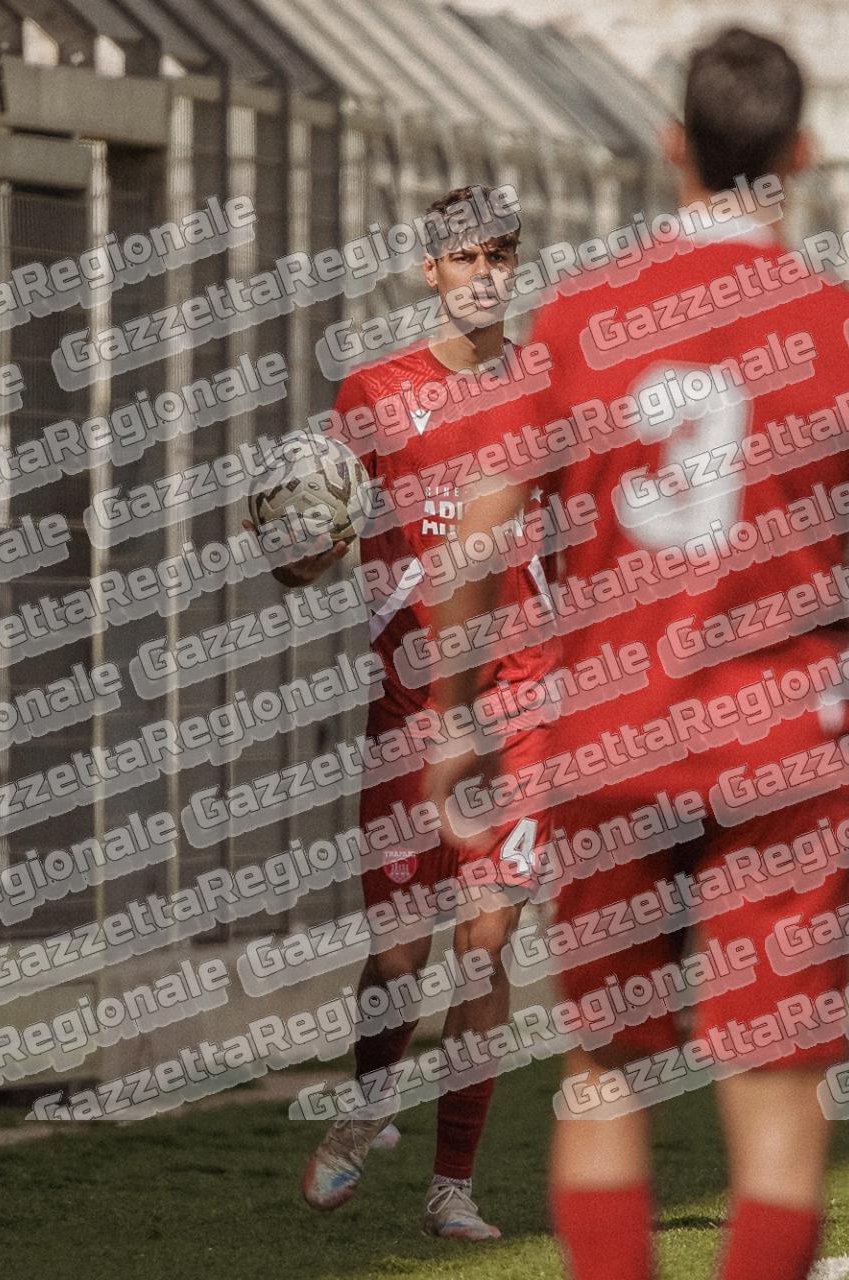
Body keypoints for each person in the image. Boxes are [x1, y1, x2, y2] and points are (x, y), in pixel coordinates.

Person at [423, 26, 849, 1280]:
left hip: (610, 741)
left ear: (672, 143)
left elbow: (474, 538)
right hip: (782, 750)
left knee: (604, 1073)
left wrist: (456, 718)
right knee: (779, 1093)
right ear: (801, 152)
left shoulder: (579, 316)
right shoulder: (846, 324)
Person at [278, 186, 553, 1241]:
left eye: (500, 255)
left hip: (518, 710)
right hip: (408, 713)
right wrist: (298, 556)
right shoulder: (374, 394)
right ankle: (366, 1105)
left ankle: (452, 1185)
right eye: (464, 257)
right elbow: (317, 538)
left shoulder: (547, 389)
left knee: (486, 946)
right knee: (399, 958)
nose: (484, 273)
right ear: (429, 269)